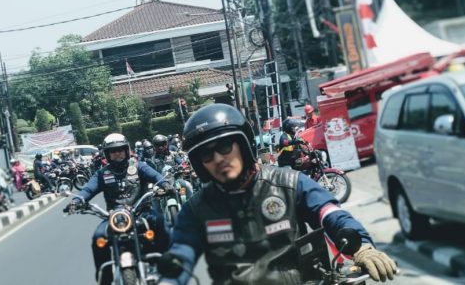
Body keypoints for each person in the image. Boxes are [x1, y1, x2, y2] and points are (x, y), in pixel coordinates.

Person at [158, 104, 397, 284]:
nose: (218, 158)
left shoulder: (289, 183)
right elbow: (181, 251)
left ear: (244, 145)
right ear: (200, 165)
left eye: (224, 146)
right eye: (207, 154)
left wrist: (362, 246)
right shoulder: (196, 209)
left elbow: (330, 213)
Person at [64, 133, 175, 285]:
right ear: (107, 154)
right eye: (113, 151)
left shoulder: (139, 166)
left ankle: (168, 262)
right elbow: (88, 190)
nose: (117, 153)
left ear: (126, 150)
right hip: (114, 217)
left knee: (161, 223)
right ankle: (105, 278)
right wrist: (76, 201)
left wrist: (166, 185)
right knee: (98, 237)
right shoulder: (102, 174)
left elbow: (156, 176)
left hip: (140, 212)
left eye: (120, 150)